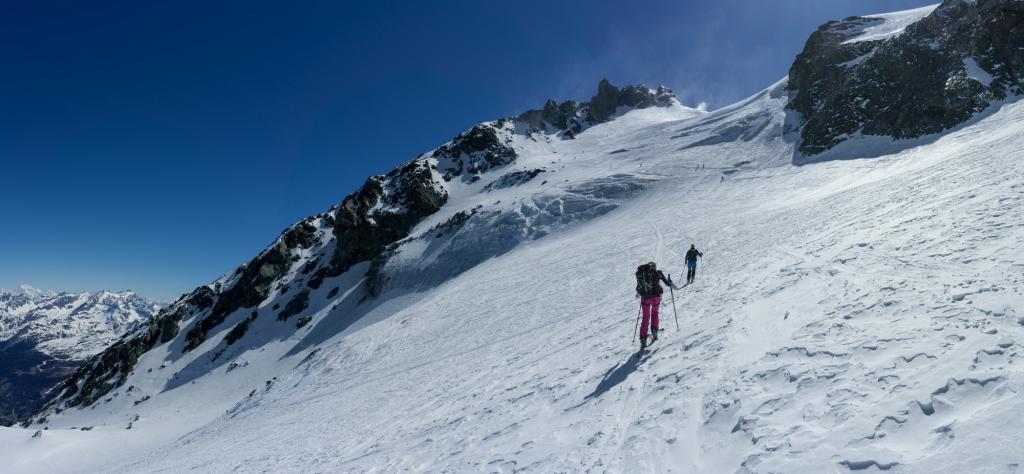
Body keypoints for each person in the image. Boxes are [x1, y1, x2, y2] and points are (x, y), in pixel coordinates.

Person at [635, 261, 675, 350]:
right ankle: (654, 331)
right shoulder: (658, 273)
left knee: (645, 317)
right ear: (654, 267)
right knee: (655, 313)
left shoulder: (642, 275)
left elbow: (639, 288)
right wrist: (670, 281)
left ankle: (643, 340)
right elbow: (668, 284)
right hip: (656, 298)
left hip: (645, 298)